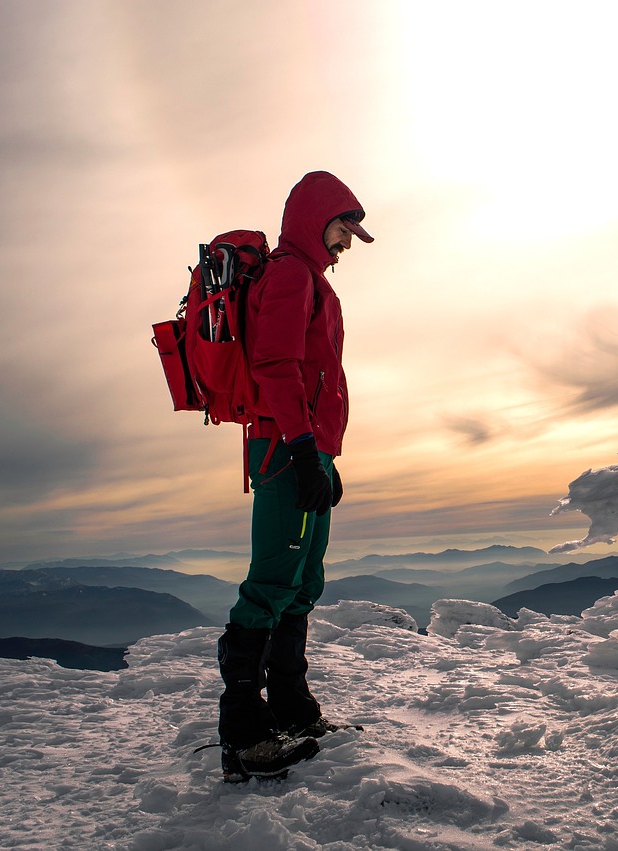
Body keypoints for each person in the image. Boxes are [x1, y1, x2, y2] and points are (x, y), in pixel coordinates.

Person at [216, 170, 374, 782]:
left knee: (304, 579)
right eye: (342, 228)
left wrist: (324, 455)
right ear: (316, 219)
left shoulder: (314, 283)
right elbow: (275, 365)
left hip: (311, 449)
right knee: (272, 581)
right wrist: (305, 450)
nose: (347, 243)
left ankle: (291, 709)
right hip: (285, 448)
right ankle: (245, 736)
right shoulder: (288, 274)